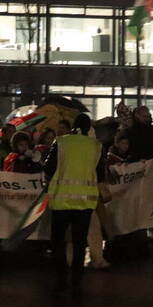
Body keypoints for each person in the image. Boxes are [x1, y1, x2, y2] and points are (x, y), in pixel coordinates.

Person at [43, 113, 105, 293]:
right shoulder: (96, 146)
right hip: (86, 203)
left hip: (61, 201)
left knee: (58, 241)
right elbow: (100, 174)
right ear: (89, 128)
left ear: (73, 126)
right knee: (79, 242)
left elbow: (48, 167)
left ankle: (61, 277)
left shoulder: (61, 142)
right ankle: (77, 279)